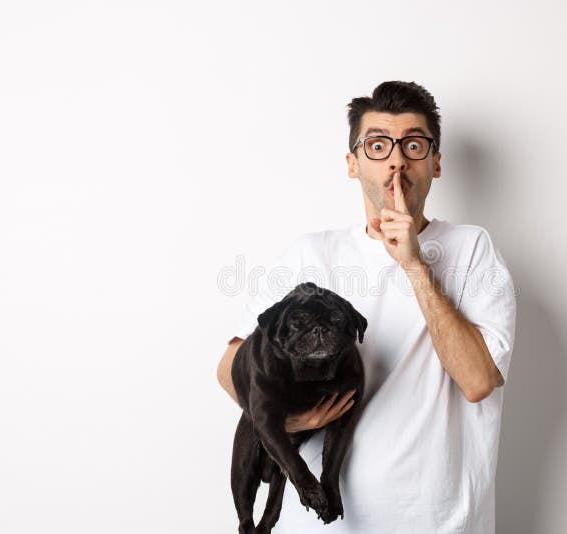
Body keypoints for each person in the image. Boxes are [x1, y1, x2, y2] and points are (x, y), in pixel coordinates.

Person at [216, 80, 517, 533]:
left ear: (436, 163)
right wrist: (285, 420)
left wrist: (414, 264)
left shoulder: (472, 249)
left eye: (413, 145)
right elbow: (229, 366)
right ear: (353, 164)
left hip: (437, 522)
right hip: (322, 523)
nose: (396, 159)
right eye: (378, 145)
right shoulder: (309, 254)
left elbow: (477, 382)